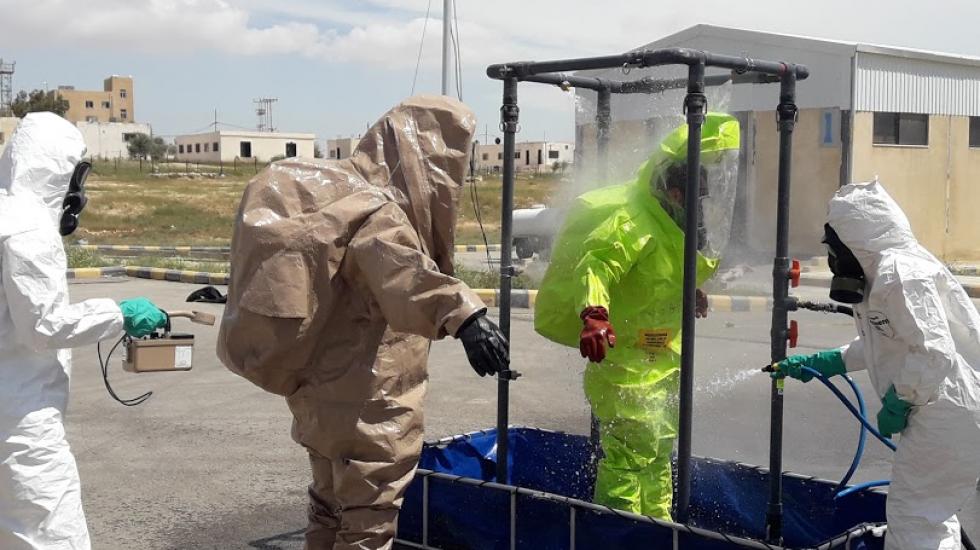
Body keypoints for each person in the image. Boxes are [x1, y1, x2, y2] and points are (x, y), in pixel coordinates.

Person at [217, 96, 509, 550]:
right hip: (371, 395)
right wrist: (466, 315)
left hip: (315, 389)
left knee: (328, 503)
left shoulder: (333, 190)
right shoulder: (377, 210)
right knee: (368, 520)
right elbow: (403, 271)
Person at [534, 113, 740, 519]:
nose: (698, 204)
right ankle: (620, 532)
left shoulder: (671, 229)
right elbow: (596, 265)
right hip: (624, 364)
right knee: (629, 456)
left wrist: (690, 291)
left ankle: (657, 528)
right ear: (673, 190)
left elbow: (656, 276)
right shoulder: (635, 222)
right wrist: (594, 314)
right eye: (692, 194)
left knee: (659, 450)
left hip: (662, 361)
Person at [774, 181, 980, 549]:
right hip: (944, 409)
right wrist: (828, 361)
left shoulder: (899, 273)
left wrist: (901, 401)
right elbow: (888, 342)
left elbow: (934, 351)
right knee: (931, 514)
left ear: (857, 241)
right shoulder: (881, 275)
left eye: (836, 251)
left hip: (950, 410)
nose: (835, 262)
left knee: (913, 515)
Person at [0, 112, 167, 549]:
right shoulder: (30, 229)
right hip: (21, 419)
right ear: (57, 169)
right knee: (52, 533)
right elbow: (45, 325)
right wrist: (119, 312)